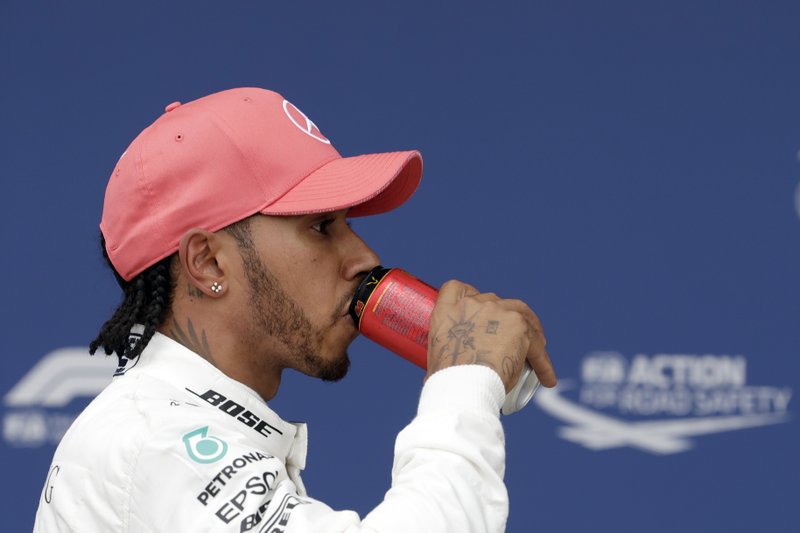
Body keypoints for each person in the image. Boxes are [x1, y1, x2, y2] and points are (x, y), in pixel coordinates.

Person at [33, 87, 557, 532]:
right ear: (209, 262)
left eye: (348, 223)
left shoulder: (175, 423)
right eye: (321, 226)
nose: (364, 257)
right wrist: (463, 385)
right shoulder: (157, 442)